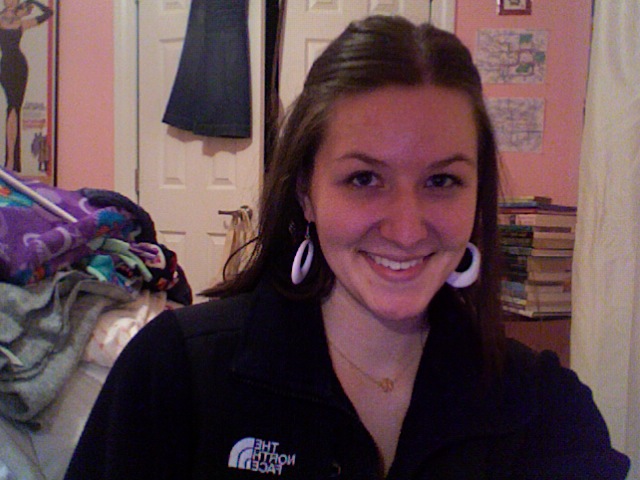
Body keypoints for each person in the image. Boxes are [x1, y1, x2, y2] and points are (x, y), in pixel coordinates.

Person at [65, 16, 630, 479]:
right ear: (306, 193)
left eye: (442, 181)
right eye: (364, 179)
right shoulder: (174, 372)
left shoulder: (547, 407)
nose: (407, 230)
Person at [0, 0, 53, 172]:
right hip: (5, 66)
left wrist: (33, 2)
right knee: (12, 108)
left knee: (14, 108)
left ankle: (11, 162)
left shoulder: (21, 23)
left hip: (19, 66)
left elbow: (48, 13)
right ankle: (10, 161)